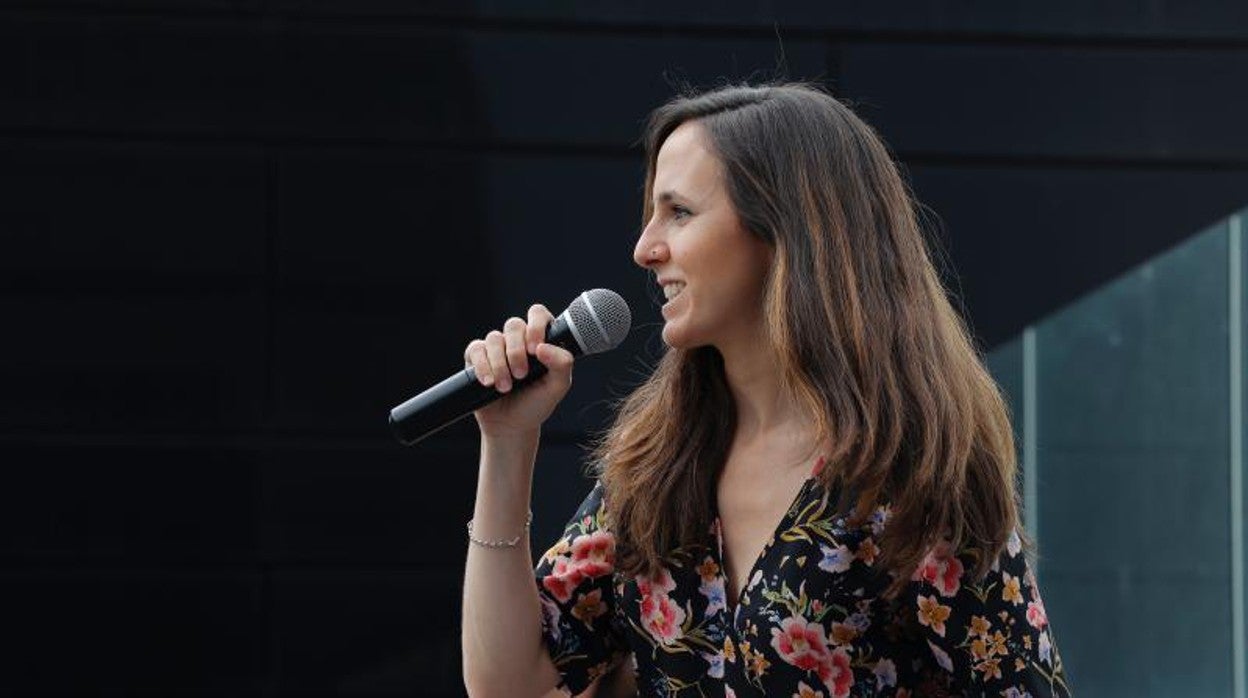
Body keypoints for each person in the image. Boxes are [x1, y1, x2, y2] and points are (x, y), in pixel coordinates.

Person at [460, 82, 1070, 697]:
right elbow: (508, 684)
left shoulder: (915, 474)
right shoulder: (657, 466)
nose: (644, 249)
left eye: (679, 212)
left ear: (783, 229)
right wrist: (507, 441)